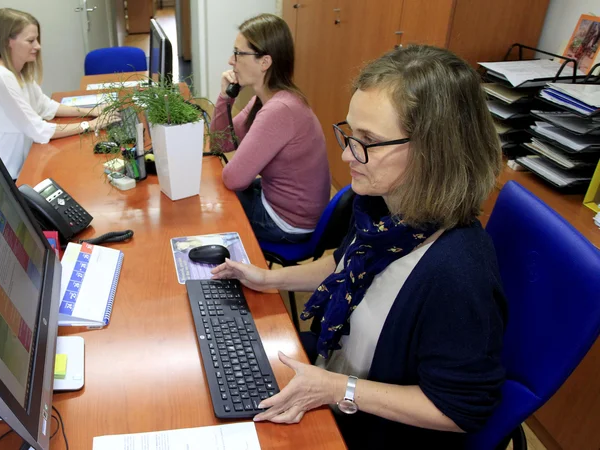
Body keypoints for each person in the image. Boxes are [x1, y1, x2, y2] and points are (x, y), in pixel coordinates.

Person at [211, 45, 506, 448]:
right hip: (333, 371)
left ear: (435, 150)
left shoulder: (457, 271)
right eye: (350, 133)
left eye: (368, 140)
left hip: (374, 426)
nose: (348, 154)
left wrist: (337, 390)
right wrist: (267, 278)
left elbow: (459, 409)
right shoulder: (379, 206)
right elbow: (345, 262)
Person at [210, 14, 330, 244]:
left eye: (238, 53)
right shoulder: (267, 100)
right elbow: (220, 143)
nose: (230, 60)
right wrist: (225, 97)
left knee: (214, 203)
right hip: (283, 205)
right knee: (216, 187)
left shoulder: (280, 109)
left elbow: (234, 178)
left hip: (288, 223)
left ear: (264, 62)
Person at [0, 8, 119, 179]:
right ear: (8, 42)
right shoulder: (0, 78)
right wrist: (91, 125)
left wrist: (91, 111)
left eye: (37, 39)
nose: (38, 46)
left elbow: (45, 106)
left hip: (22, 163)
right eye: (31, 41)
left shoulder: (18, 72)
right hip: (4, 175)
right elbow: (39, 129)